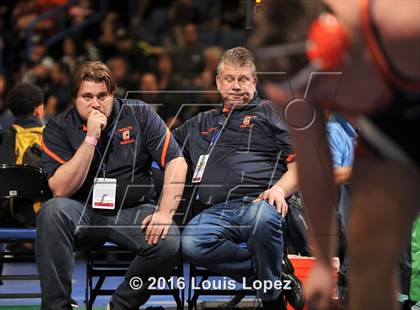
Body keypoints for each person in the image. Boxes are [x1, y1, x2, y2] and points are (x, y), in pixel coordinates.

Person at [250, 1, 420, 309]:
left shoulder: (401, 23)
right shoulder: (291, 81)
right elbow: (315, 166)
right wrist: (322, 263)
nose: (323, 101)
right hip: (385, 123)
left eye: (323, 87)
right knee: (368, 252)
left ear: (337, 44)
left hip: (400, 82)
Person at [37, 60, 187, 310]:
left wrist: (164, 212)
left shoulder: (139, 113)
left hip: (134, 210)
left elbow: (176, 161)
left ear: (112, 94)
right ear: (74, 98)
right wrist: (90, 139)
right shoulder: (58, 127)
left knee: (168, 241)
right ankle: (58, 306)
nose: (95, 103)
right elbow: (60, 190)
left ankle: (119, 306)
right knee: (51, 212)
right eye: (87, 96)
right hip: (83, 210)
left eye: (102, 96)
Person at [173, 47, 302, 310]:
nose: (236, 86)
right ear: (219, 83)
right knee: (191, 241)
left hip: (261, 203)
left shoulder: (270, 112)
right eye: (229, 79)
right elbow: (161, 145)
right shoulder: (201, 122)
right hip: (216, 211)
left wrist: (278, 190)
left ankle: (271, 297)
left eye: (243, 79)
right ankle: (275, 277)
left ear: (254, 83)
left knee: (260, 219)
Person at [0, 82, 45, 226]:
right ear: (38, 110)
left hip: (6, 222)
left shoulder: (3, 139)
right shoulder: (53, 139)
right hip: (44, 220)